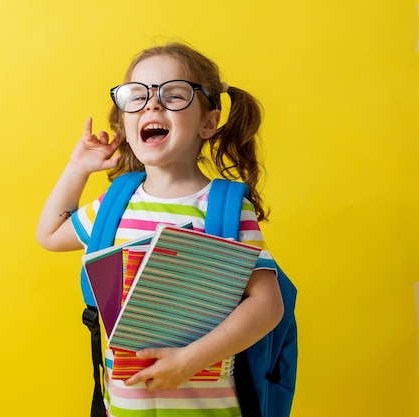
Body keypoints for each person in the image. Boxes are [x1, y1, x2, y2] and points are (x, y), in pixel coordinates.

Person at [37, 42, 284, 416]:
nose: (152, 104)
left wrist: (190, 360)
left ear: (208, 122)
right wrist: (78, 169)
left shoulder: (226, 209)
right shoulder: (115, 204)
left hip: (210, 410)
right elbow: (51, 235)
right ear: (123, 121)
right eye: (137, 96)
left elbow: (268, 306)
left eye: (173, 95)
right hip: (121, 408)